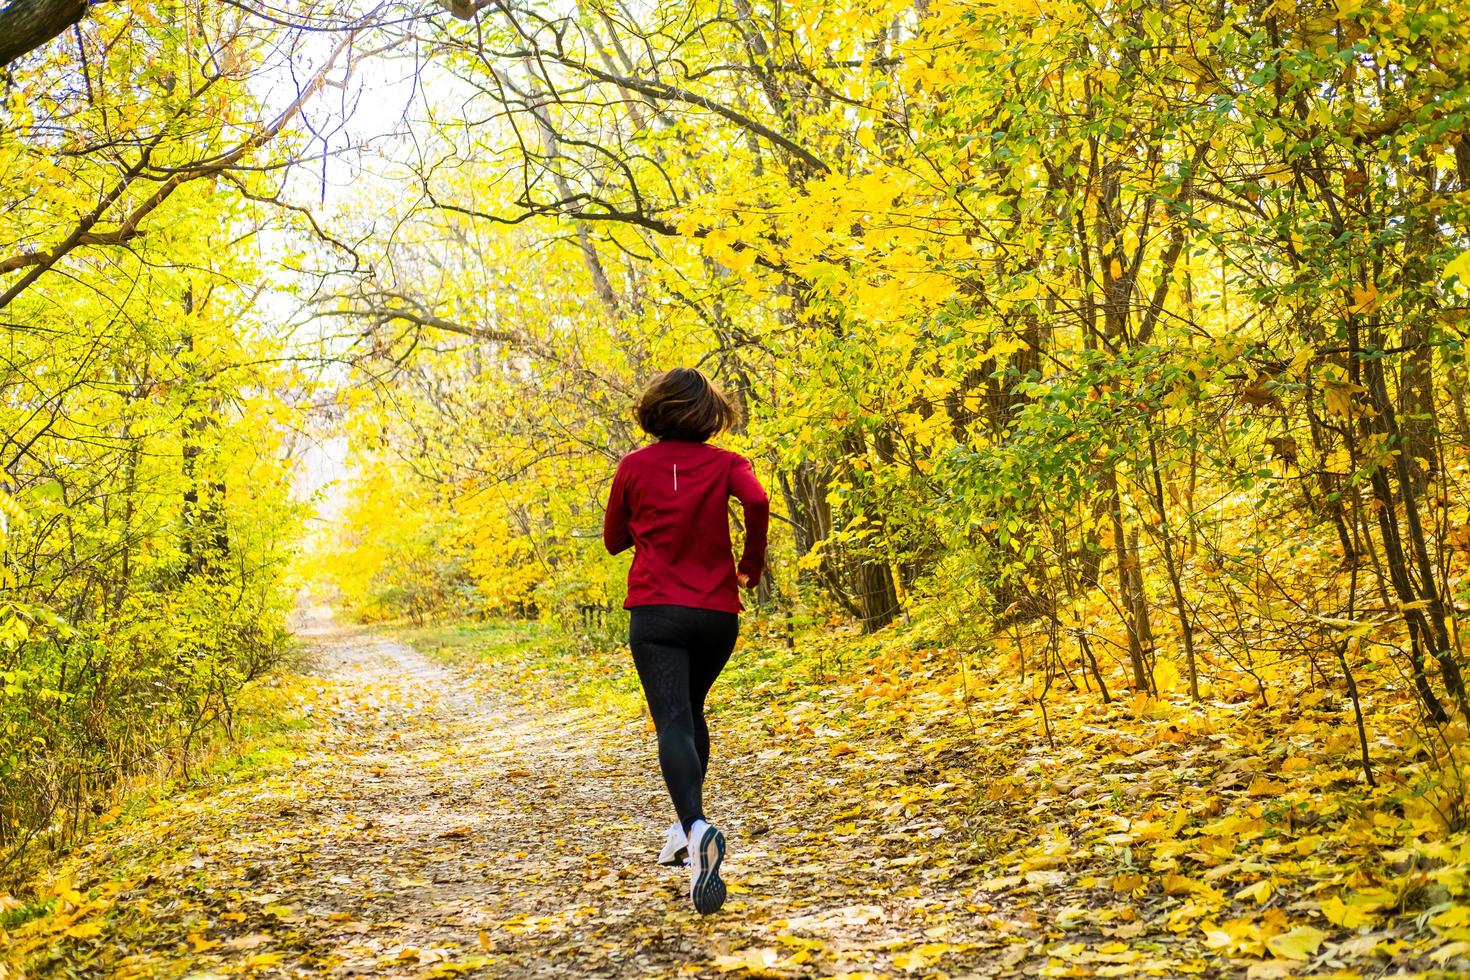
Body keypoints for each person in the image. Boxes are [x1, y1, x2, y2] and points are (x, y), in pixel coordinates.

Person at [602, 367, 770, 916]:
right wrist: (751, 563)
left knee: (673, 719)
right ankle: (684, 827)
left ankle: (697, 828)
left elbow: (613, 540)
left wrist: (645, 528)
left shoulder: (633, 466)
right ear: (709, 413)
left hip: (656, 611)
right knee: (693, 711)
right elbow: (759, 501)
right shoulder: (727, 463)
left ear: (655, 410)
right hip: (717, 613)